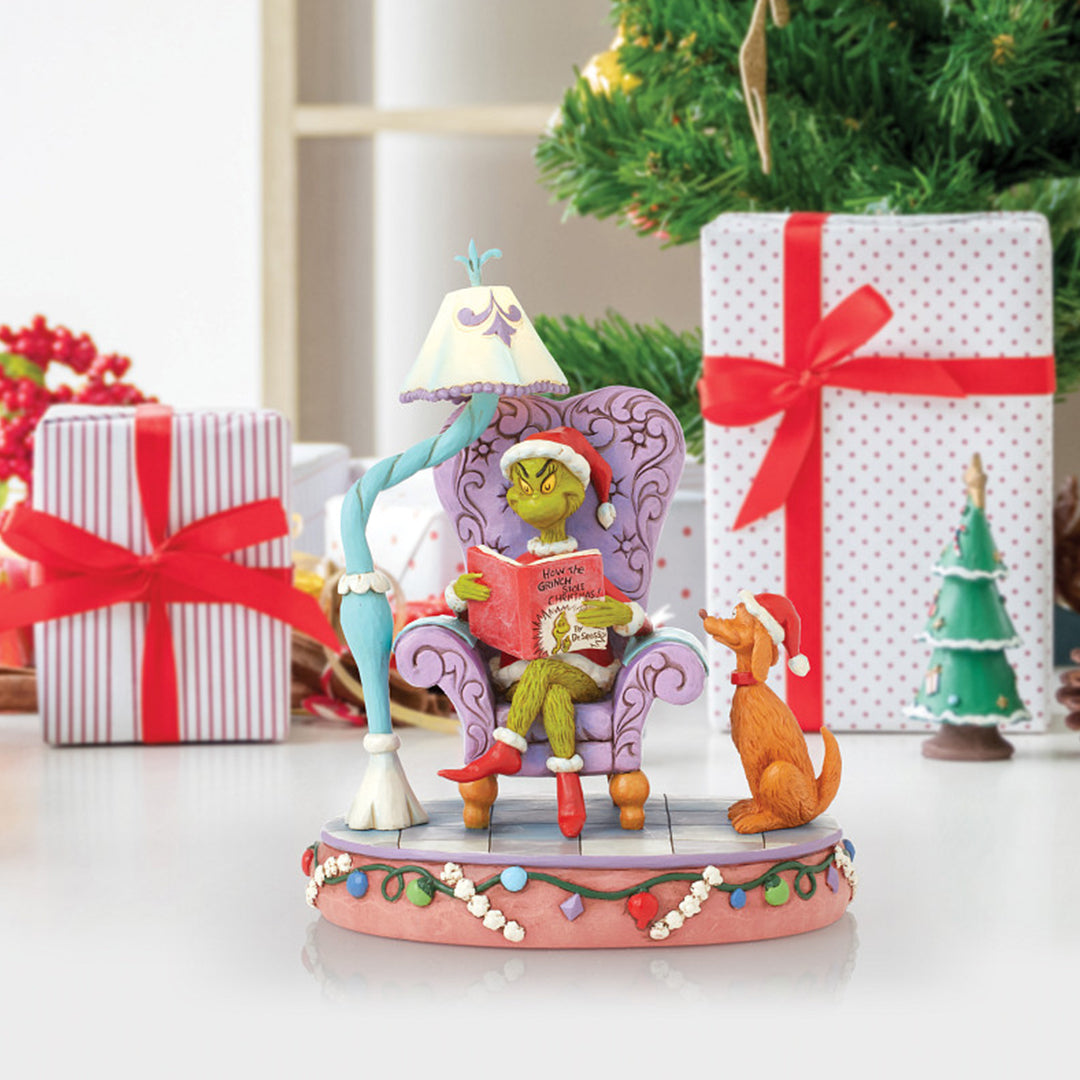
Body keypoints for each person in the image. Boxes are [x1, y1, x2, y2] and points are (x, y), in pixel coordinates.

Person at [438, 426, 650, 837]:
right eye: (524, 488)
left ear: (573, 494)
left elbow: (643, 623)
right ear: (514, 496)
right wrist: (461, 594)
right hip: (526, 676)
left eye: (546, 486)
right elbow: (463, 613)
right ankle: (568, 788)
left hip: (584, 672)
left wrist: (621, 614)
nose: (533, 498)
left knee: (546, 670)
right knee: (551, 689)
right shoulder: (517, 566)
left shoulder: (583, 566)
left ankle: (506, 748)